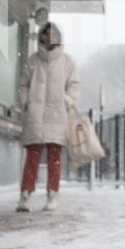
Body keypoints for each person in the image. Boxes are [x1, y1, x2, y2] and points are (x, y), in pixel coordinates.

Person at [15, 22, 79, 213]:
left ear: (58, 37)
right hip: (35, 115)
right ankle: (25, 195)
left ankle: (52, 195)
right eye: (45, 34)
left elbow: (74, 86)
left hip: (57, 115)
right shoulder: (33, 60)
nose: (48, 38)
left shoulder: (67, 61)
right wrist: (26, 102)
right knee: (32, 157)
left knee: (54, 157)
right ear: (41, 37)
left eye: (52, 35)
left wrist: (66, 101)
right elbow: (23, 84)